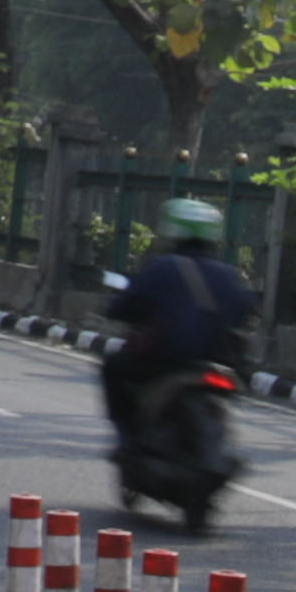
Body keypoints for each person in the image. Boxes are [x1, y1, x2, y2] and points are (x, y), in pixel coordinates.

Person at [101, 197, 253, 535]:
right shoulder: (228, 275)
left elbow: (124, 306)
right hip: (216, 367)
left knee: (113, 367)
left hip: (164, 366)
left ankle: (127, 436)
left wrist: (121, 310)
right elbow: (244, 311)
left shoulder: (162, 268)